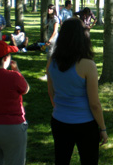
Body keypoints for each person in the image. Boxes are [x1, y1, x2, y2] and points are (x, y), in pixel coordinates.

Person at [46, 18, 108, 165]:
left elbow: (51, 93)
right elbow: (94, 104)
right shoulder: (88, 64)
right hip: (85, 124)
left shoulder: (52, 61)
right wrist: (103, 128)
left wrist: (62, 110)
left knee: (61, 160)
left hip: (59, 121)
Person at [0, 41, 30, 165]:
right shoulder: (13, 76)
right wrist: (17, 70)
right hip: (12, 128)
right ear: (6, 58)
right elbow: (26, 89)